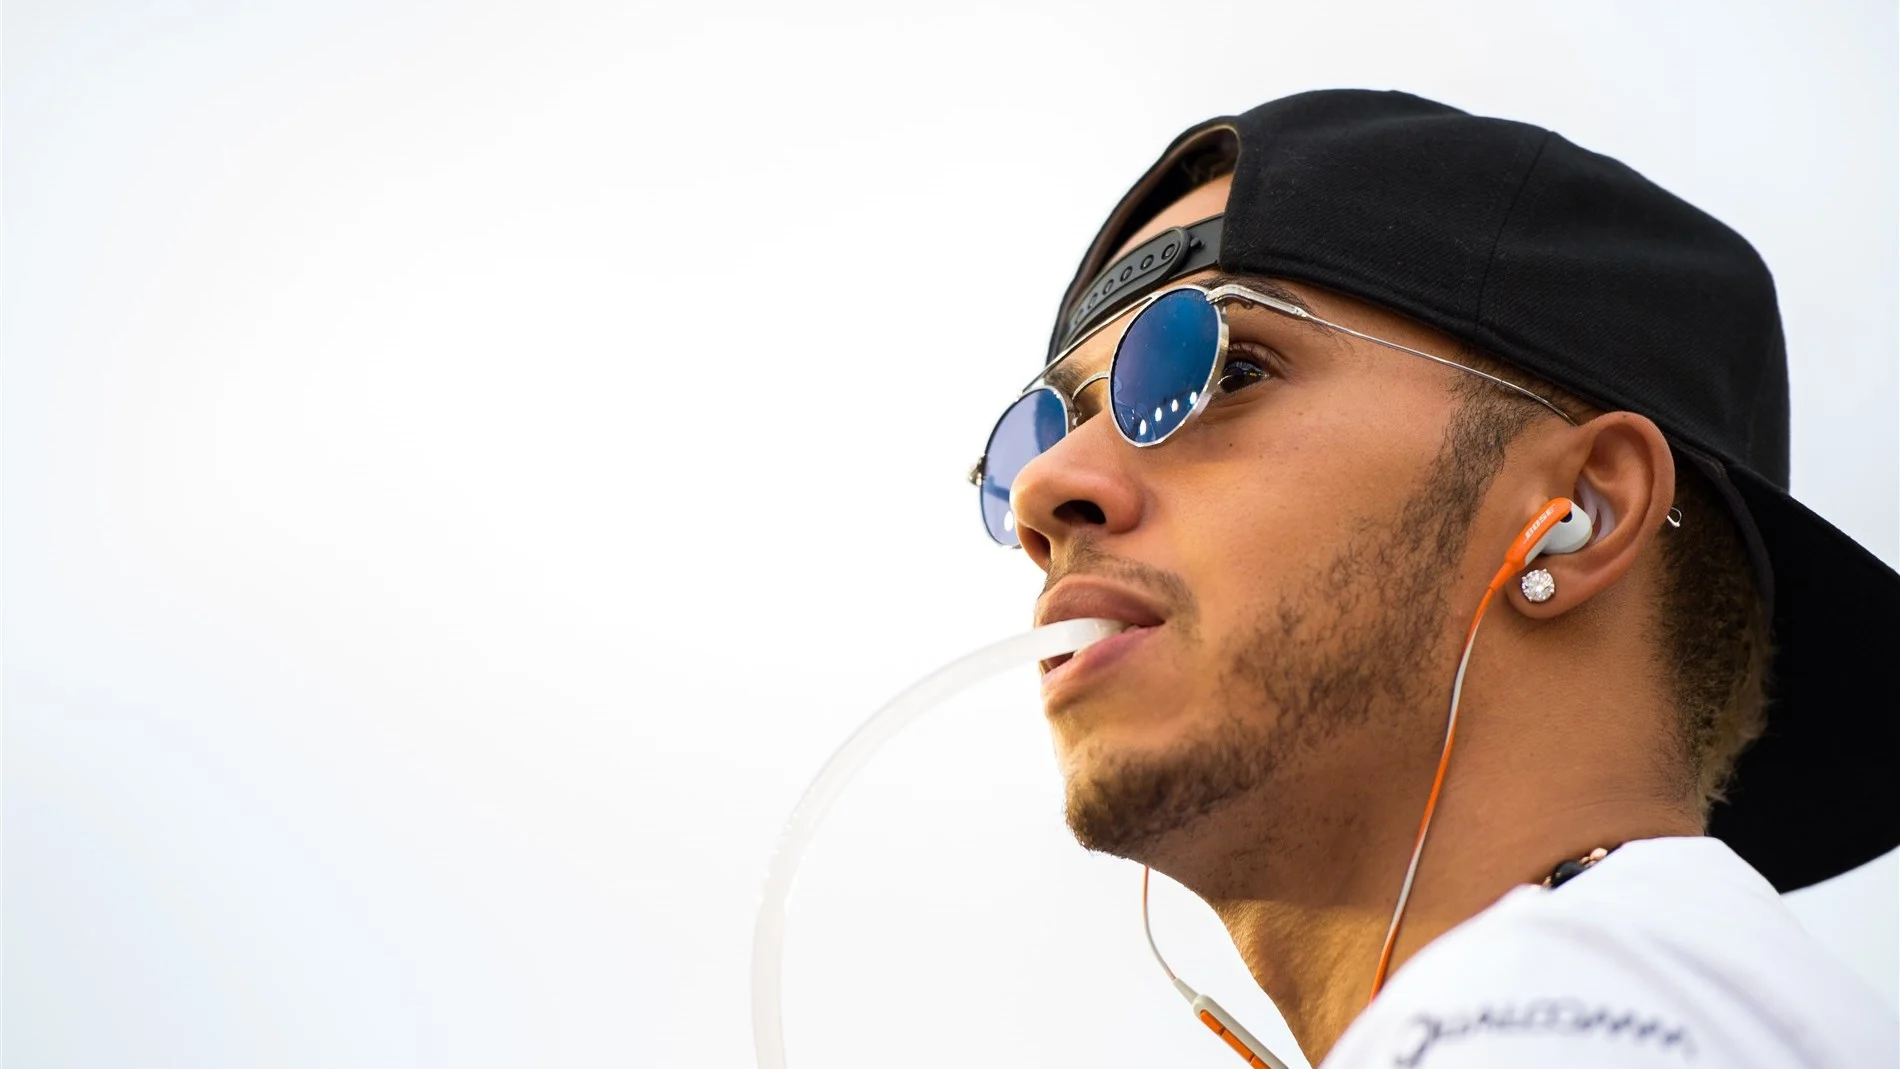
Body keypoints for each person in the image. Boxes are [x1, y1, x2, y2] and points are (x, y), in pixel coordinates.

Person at [969, 90, 1898, 1067]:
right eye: (1054, 424)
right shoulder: (1670, 1010)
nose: (1045, 487)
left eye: (1222, 367)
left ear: (1581, 511)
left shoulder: (1563, 1019)